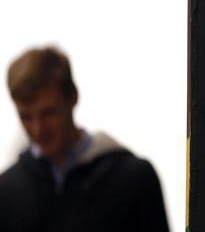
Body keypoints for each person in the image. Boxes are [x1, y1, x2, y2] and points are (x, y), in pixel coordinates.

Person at [0, 46, 170, 232]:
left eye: (48, 113)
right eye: (26, 117)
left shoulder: (134, 179)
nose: (38, 128)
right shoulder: (7, 191)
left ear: (73, 97)